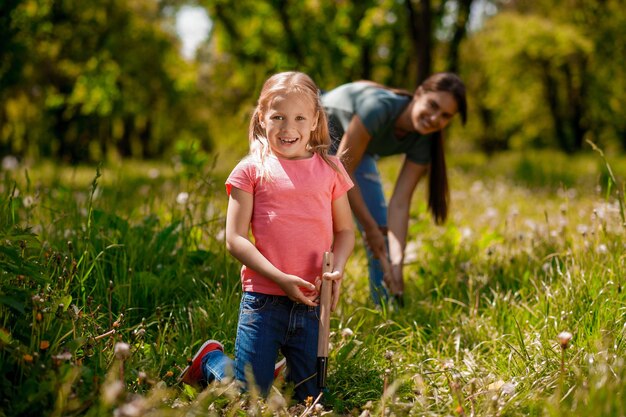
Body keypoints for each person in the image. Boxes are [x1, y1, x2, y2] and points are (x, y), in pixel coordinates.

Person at [179, 71, 355, 402]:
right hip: (263, 301)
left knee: (311, 399)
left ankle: (269, 366)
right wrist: (279, 277)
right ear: (262, 118)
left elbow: (346, 231)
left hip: (311, 302)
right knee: (250, 400)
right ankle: (211, 361)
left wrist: (338, 268)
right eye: (278, 117)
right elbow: (235, 239)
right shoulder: (250, 169)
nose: (289, 128)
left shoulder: (330, 168)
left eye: (300, 117)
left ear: (315, 119)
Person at [321, 72, 467, 306]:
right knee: (321, 228)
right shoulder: (378, 108)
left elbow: (400, 202)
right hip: (317, 133)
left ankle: (387, 310)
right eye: (432, 105)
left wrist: (397, 263)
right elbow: (341, 174)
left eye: (445, 116)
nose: (434, 118)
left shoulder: (425, 139)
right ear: (419, 93)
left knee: (383, 235)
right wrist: (369, 228)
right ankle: (306, 308)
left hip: (351, 153)